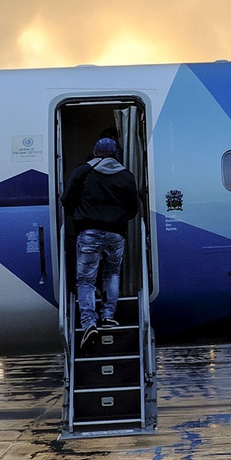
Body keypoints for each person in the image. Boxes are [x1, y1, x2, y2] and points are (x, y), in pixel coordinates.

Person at [62, 136, 140, 339]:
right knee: (112, 273)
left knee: (86, 280)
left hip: (89, 232)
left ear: (96, 152)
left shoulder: (82, 171)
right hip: (116, 233)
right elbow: (133, 208)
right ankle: (108, 316)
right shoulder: (126, 176)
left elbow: (66, 199)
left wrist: (78, 215)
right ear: (115, 154)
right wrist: (118, 219)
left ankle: (89, 322)